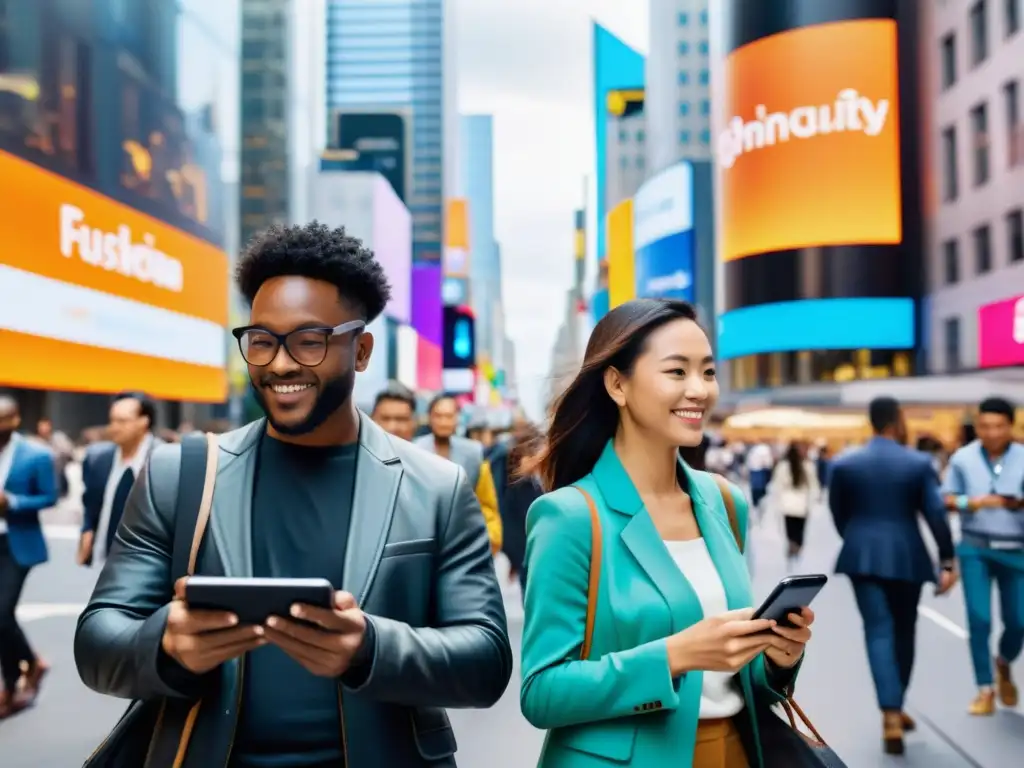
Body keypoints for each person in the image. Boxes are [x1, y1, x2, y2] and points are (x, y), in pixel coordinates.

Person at [75, 222, 512, 767]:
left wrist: (369, 646)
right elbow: (97, 642)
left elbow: (487, 661)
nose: (280, 363)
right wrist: (167, 643)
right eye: (262, 341)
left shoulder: (437, 487)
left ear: (361, 350)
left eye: (309, 342)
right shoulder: (178, 474)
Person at [519, 299, 814, 768]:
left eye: (708, 372)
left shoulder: (724, 502)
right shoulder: (569, 517)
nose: (698, 390)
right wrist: (675, 655)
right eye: (677, 372)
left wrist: (778, 656)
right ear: (617, 383)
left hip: (739, 751)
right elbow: (541, 693)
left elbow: (738, 675)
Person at [828, 396, 956, 755]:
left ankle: (890, 711)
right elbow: (935, 514)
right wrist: (947, 559)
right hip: (908, 556)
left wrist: (856, 540)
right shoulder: (918, 463)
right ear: (897, 420)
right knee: (904, 629)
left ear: (871, 421)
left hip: (860, 555)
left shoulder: (845, 464)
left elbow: (839, 513)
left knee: (877, 629)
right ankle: (896, 705)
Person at [942, 396, 1024, 716]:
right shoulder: (962, 459)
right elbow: (946, 499)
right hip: (975, 547)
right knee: (979, 619)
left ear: (1010, 426)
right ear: (978, 426)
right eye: (985, 426)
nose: (991, 433)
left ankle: (1003, 661)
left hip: (1017, 548)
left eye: (998, 426)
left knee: (1018, 621)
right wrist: (971, 503)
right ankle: (985, 688)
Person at [0, 395, 58, 718]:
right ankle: (19, 676)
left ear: (14, 421)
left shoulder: (36, 455)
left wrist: (13, 502)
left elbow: (50, 496)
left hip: (16, 543)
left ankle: (20, 676)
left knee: (2, 614)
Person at [77, 392, 162, 567]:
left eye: (122, 421)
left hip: (147, 563)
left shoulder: (165, 460)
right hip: (103, 560)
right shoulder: (98, 459)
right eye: (112, 420)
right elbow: (90, 501)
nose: (114, 427)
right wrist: (87, 529)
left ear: (143, 422)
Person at [415, 395, 503, 554]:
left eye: (449, 416)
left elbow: (486, 503)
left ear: (457, 418)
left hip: (465, 538)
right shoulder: (415, 450)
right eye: (438, 416)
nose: (443, 422)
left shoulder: (474, 453)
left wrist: (490, 539)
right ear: (430, 418)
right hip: (424, 539)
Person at [769, 441, 819, 565]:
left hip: (787, 503)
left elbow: (777, 485)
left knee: (790, 529)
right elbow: (813, 485)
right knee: (800, 529)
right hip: (802, 503)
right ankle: (797, 548)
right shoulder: (808, 466)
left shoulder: (783, 466)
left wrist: (777, 501)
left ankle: (792, 546)